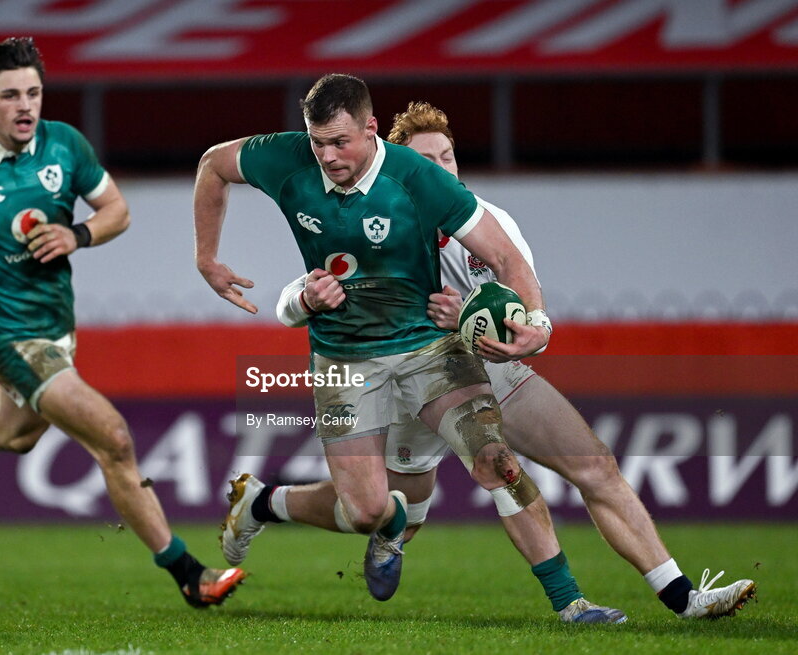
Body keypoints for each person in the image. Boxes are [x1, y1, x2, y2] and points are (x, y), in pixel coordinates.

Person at [240, 101, 756, 620]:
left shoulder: (489, 222)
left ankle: (676, 598)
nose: (440, 170)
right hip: (405, 382)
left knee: (591, 466)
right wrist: (305, 301)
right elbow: (301, 293)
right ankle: (264, 503)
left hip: (489, 367)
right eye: (426, 160)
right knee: (380, 514)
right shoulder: (371, 215)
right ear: (397, 163)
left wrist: (528, 330)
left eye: (447, 157)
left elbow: (519, 305)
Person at [195, 74, 624, 622]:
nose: (327, 156)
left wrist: (536, 321)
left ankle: (571, 603)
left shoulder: (418, 177)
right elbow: (212, 164)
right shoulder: (284, 157)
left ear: (371, 129)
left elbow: (507, 258)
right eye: (318, 142)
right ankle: (261, 502)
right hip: (343, 356)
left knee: (497, 461)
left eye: (340, 142)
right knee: (366, 511)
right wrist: (206, 258)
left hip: (428, 348)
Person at [0, 37, 245, 609]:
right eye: (11, 95)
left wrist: (78, 234)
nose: (25, 106)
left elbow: (117, 211)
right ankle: (189, 573)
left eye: (33, 93)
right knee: (113, 438)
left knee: (12, 434)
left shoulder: (64, 145)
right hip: (7, 336)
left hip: (56, 329)